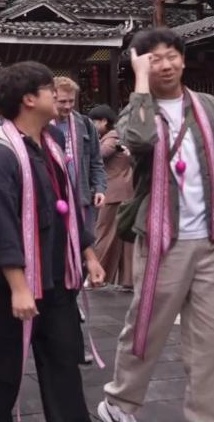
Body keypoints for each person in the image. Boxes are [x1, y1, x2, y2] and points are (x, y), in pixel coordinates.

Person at [97, 29, 214, 422]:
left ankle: (206, 415)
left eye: (172, 55)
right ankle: (119, 402)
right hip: (164, 239)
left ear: (183, 59)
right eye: (154, 58)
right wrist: (140, 82)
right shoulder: (136, 111)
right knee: (147, 326)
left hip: (213, 239)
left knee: (213, 338)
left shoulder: (210, 108)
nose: (166, 64)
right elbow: (139, 140)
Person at [0, 61, 104, 422]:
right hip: (7, 286)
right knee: (1, 373)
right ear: (29, 99)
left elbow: (66, 206)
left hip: (55, 277)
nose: (57, 96)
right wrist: (19, 286)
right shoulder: (0, 158)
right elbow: (0, 226)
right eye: (49, 90)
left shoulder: (51, 144)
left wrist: (88, 253)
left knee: (63, 365)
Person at [88, 105, 134, 290]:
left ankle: (97, 275)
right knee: (124, 239)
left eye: (94, 122)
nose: (91, 125)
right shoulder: (118, 138)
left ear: (103, 121)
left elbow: (99, 155)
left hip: (113, 193)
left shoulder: (111, 139)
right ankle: (128, 279)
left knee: (104, 234)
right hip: (124, 191)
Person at [53, 77, 106, 234]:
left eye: (71, 101)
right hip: (54, 200)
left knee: (85, 242)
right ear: (52, 98)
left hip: (81, 198)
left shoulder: (85, 124)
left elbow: (96, 161)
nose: (68, 106)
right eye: (63, 101)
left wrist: (99, 188)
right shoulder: (42, 125)